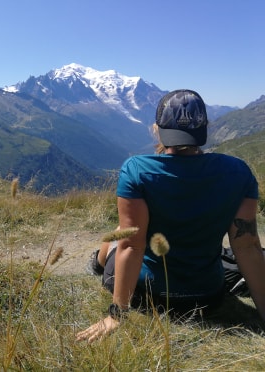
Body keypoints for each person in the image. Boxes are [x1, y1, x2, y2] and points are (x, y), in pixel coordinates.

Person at [76, 89, 265, 343]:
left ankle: (96, 263)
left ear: (157, 128)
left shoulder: (137, 170)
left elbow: (131, 244)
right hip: (207, 297)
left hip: (146, 296)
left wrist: (116, 314)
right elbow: (247, 245)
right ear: (205, 128)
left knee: (120, 231)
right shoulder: (238, 172)